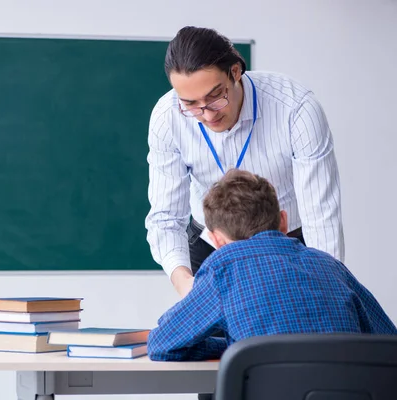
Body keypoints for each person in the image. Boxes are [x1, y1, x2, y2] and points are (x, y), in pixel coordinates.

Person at [145, 26, 344, 298]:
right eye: (191, 104)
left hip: (286, 242)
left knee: (293, 332)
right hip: (211, 244)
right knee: (213, 340)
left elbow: (321, 217)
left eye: (215, 97)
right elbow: (166, 218)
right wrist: (185, 284)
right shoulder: (168, 118)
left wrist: (327, 290)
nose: (206, 114)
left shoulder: (295, 108)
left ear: (235, 72)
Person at [147, 169, 397, 363]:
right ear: (284, 221)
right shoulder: (331, 267)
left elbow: (162, 343)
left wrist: (240, 348)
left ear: (216, 240)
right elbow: (389, 343)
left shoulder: (222, 271)